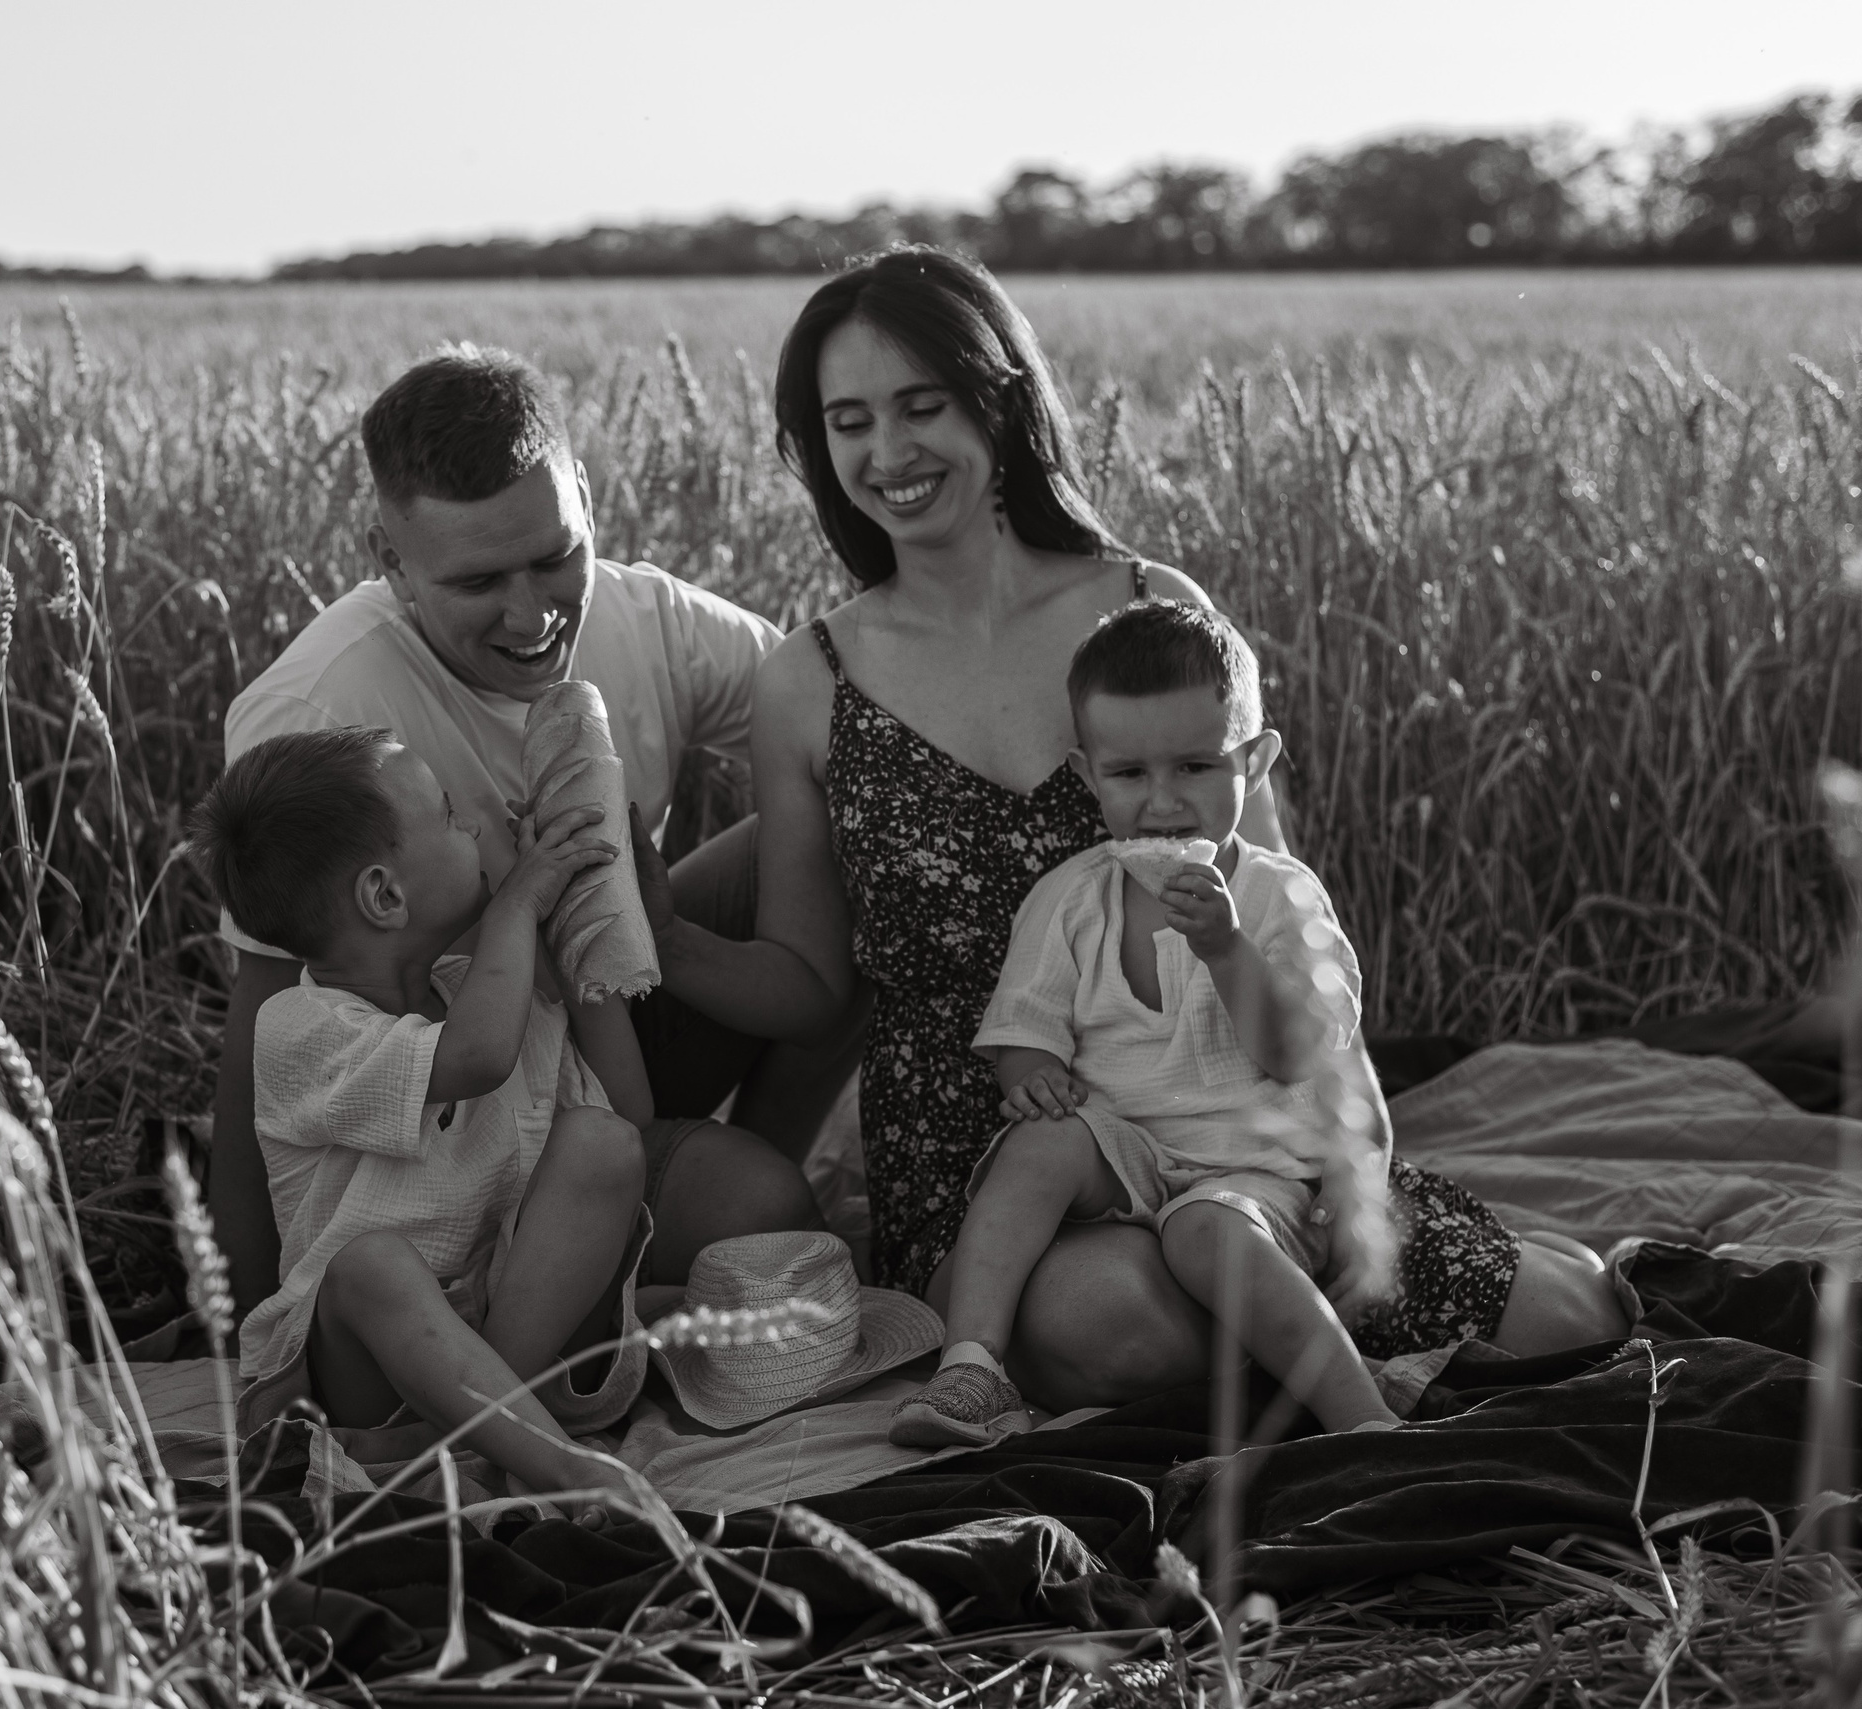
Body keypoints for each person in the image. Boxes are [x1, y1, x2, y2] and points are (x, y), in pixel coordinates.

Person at [638, 245, 1626, 1415]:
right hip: (1003, 1140)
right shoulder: (810, 678)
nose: (887, 453)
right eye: (848, 421)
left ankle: (1354, 1317)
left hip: (1215, 1102)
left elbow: (1273, 900)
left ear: (998, 401)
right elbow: (809, 984)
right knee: (1109, 1329)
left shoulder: (1154, 612)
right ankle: (1319, 1370)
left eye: (920, 405)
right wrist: (657, 926)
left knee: (1565, 1318)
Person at [210, 346, 852, 1331]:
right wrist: (248, 1323)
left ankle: (714, 1196)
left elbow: (868, 739)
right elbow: (259, 1034)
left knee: (860, 828)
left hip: (602, 1044)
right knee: (734, 1216)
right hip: (436, 1129)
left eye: (554, 555)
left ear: (585, 498)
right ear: (389, 561)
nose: (533, 612)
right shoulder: (318, 705)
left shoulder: (655, 623)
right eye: (476, 581)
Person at [894, 601, 1401, 1445]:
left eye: (1196, 767)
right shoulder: (1070, 898)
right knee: (1040, 1144)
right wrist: (1031, 1080)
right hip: (1120, 1145)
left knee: (1210, 1232)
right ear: (1087, 776)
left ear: (1256, 761)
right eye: (1128, 774)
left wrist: (1226, 947)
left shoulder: (1282, 898)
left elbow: (1294, 1053)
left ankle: (1360, 1415)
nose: (1163, 803)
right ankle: (970, 1369)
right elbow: (1022, 1033)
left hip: (1250, 1162)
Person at [192, 726, 648, 1503]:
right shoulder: (299, 1027)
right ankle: (560, 1466)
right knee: (372, 1264)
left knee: (604, 1145)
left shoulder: (476, 988)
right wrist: (518, 900)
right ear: (384, 895)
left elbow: (632, 1113)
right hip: (355, 1370)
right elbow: (475, 1056)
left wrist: (575, 924)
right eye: (448, 815)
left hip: (507, 1336)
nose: (473, 827)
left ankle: (484, 1427)